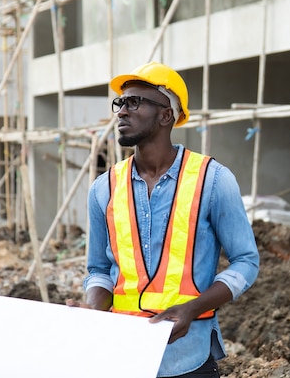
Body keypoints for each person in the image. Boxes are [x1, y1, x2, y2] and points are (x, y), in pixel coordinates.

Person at [68, 61, 260, 378]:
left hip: (188, 357)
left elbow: (246, 261)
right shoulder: (104, 188)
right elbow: (99, 271)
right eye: (120, 102)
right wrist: (93, 308)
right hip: (122, 356)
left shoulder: (212, 181)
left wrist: (192, 309)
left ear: (166, 115)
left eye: (134, 102)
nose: (122, 111)